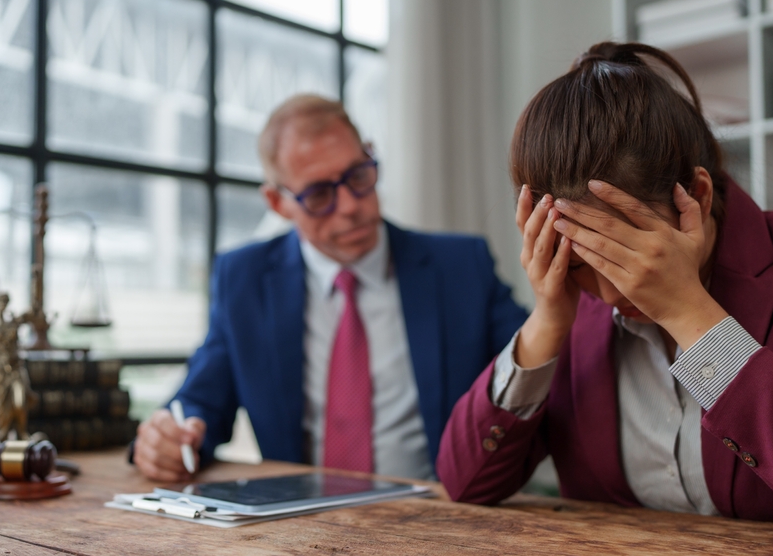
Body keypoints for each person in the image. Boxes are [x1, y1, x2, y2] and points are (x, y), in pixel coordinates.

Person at [436, 41, 773, 554]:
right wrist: (547, 321)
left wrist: (693, 317)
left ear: (698, 198)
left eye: (626, 256)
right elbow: (465, 483)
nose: (610, 292)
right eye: (580, 263)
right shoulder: (571, 301)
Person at [133, 94, 527, 482]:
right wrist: (167, 438)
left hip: (438, 517)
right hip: (299, 523)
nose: (350, 205)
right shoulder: (244, 279)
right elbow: (201, 401)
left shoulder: (461, 268)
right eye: (320, 194)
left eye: (358, 176)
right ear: (277, 202)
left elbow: (540, 365)